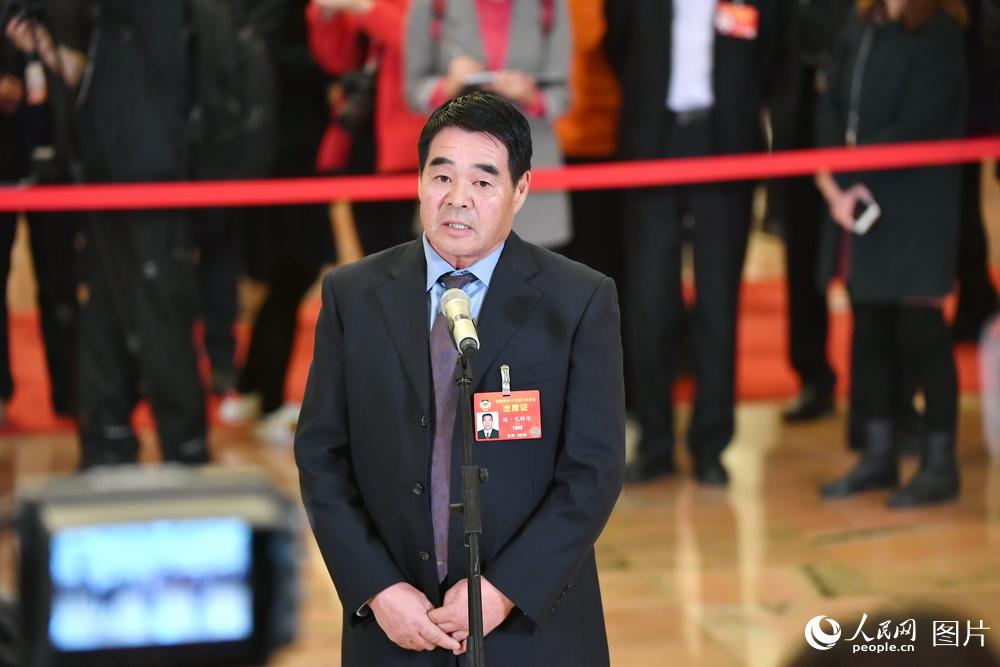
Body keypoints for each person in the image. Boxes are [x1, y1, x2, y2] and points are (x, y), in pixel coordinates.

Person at [295, 90, 625, 665]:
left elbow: (593, 471)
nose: (458, 199)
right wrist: (377, 587)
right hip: (397, 629)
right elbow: (322, 455)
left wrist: (504, 591)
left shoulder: (578, 300)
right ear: (420, 181)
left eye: (483, 181)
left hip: (530, 627)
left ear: (521, 191)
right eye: (442, 176)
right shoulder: (353, 296)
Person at [7, 0, 210, 466]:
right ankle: (108, 440)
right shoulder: (113, 21)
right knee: (103, 312)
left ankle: (184, 447)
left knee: (159, 314)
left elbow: (159, 90)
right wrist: (50, 51)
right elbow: (112, 83)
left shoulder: (156, 13)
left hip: (147, 178)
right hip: (109, 175)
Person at [605, 0, 783, 486]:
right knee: (648, 303)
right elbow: (619, 44)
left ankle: (711, 444)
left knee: (718, 305)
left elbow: (770, 56)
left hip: (725, 143)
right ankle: (655, 441)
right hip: (652, 140)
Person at [816, 0, 966, 508]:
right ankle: (878, 455)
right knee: (871, 330)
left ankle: (940, 463)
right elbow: (831, 102)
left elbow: (919, 121)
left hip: (916, 204)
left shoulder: (939, 32)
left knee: (922, 333)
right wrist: (836, 181)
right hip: (862, 205)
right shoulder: (861, 24)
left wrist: (849, 177)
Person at [403, 0, 573, 251]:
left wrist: (529, 96)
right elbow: (413, 90)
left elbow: (563, 95)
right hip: (456, 159)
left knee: (537, 267)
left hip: (533, 164)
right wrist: (449, 85)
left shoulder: (549, 5)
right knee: (452, 261)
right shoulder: (431, 6)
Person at [306, 0, 425, 256]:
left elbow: (421, 45)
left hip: (411, 141)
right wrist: (327, 15)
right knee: (373, 252)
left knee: (411, 250)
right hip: (362, 134)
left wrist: (366, 8)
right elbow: (336, 61)